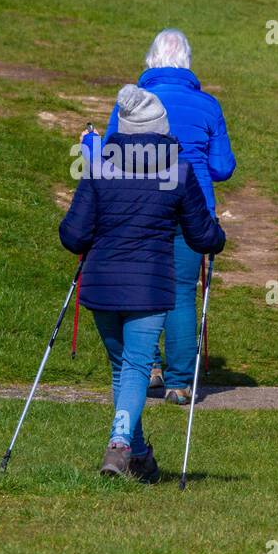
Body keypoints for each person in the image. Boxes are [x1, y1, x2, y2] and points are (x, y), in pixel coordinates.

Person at [61, 85, 225, 481]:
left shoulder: (100, 167)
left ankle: (138, 456)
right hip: (150, 285)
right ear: (160, 130)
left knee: (123, 369)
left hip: (102, 284)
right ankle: (119, 444)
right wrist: (218, 236)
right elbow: (202, 237)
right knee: (134, 367)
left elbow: (73, 236)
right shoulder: (177, 172)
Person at [102, 29, 235, 405]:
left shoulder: (131, 102)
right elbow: (223, 167)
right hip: (193, 208)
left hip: (141, 206)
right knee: (179, 293)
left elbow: (112, 152)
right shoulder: (208, 105)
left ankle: (150, 369)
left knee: (143, 286)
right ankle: (179, 382)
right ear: (187, 62)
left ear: (151, 60)